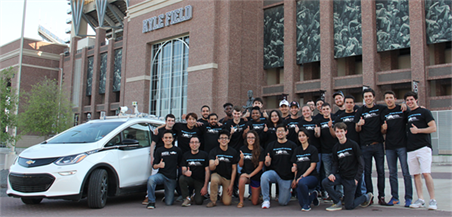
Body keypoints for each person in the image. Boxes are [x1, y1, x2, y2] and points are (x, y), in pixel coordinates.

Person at [322, 122, 373, 211]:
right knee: (325, 182)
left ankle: (366, 197)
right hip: (341, 176)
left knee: (349, 206)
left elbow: (361, 163)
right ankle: (337, 201)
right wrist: (332, 174)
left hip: (351, 178)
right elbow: (335, 164)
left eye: (341, 131)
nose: (339, 134)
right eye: (337, 132)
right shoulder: (335, 148)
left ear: (345, 132)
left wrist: (357, 179)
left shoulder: (353, 145)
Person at [404, 91, 437, 210]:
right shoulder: (407, 114)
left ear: (416, 100)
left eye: (411, 100)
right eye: (407, 100)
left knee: (426, 173)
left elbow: (433, 128)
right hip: (411, 149)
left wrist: (419, 131)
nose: (409, 102)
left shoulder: (425, 112)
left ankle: (432, 200)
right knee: (416, 175)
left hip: (424, 147)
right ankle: (420, 199)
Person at [354, 88, 387, 205]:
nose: (368, 98)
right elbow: (357, 129)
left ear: (373, 97)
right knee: (367, 172)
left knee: (381, 172)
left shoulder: (380, 109)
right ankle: (370, 195)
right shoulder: (360, 111)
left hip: (378, 145)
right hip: (365, 146)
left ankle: (381, 196)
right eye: (366, 96)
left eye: (370, 96)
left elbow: (394, 109)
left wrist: (404, 106)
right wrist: (359, 124)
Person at [380, 91, 413, 207]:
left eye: (391, 98)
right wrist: (383, 129)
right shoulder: (383, 112)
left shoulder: (402, 109)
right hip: (389, 147)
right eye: (386, 98)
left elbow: (413, 112)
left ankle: (408, 198)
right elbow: (382, 131)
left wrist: (405, 104)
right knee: (392, 173)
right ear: (384, 100)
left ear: (395, 98)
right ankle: (395, 197)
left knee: (406, 172)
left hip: (402, 146)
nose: (389, 100)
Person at [261, 124, 298, 208]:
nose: (280, 133)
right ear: (276, 133)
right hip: (275, 173)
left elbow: (295, 164)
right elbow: (267, 165)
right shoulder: (271, 145)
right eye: (278, 131)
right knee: (264, 176)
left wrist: (294, 178)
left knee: (283, 202)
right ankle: (266, 200)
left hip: (287, 176)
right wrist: (267, 162)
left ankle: (288, 192)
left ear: (286, 132)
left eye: (282, 131)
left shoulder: (292, 146)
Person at [146, 130, 182, 209]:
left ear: (173, 139)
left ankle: (167, 195)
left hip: (171, 178)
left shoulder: (177, 150)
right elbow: (154, 166)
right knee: (151, 179)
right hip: (161, 175)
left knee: (169, 203)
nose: (168, 139)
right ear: (162, 139)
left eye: (170, 137)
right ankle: (151, 202)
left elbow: (180, 164)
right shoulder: (159, 150)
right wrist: (159, 165)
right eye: (166, 138)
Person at [207, 130, 239, 207]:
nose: (223, 140)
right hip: (217, 175)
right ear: (218, 140)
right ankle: (213, 201)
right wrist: (214, 164)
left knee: (227, 203)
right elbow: (211, 167)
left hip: (227, 178)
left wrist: (231, 185)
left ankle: (222, 197)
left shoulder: (233, 152)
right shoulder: (213, 151)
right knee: (214, 179)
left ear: (229, 140)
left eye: (225, 138)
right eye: (221, 138)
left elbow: (234, 169)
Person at [291, 129, 320, 211]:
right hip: (300, 179)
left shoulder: (313, 149)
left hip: (312, 177)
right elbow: (295, 166)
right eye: (300, 136)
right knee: (301, 203)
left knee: (302, 183)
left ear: (307, 137)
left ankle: (307, 205)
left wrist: (302, 177)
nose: (301, 138)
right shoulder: (297, 150)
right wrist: (294, 178)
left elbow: (312, 167)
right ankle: (313, 195)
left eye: (303, 135)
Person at [179, 137, 210, 206]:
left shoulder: (204, 155)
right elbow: (183, 170)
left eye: (196, 142)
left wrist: (205, 186)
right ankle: (186, 199)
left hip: (199, 181)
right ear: (189, 144)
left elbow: (207, 171)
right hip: (189, 179)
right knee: (182, 178)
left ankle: (194, 195)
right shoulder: (185, 155)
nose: (194, 144)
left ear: (199, 144)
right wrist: (185, 172)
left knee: (199, 202)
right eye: (192, 142)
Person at [315, 103, 337, 200]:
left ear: (330, 109)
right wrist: (316, 132)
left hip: (335, 150)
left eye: (327, 109)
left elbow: (335, 135)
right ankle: (330, 194)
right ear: (321, 110)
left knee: (337, 172)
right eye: (324, 109)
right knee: (328, 173)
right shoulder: (319, 121)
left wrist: (330, 127)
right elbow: (318, 136)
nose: (326, 110)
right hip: (325, 151)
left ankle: (339, 193)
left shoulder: (335, 119)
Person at [237, 130, 265, 208]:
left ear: (256, 138)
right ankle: (241, 201)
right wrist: (241, 158)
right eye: (248, 137)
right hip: (246, 174)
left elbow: (260, 166)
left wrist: (250, 175)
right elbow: (240, 165)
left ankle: (258, 196)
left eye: (252, 137)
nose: (250, 139)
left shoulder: (260, 150)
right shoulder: (243, 148)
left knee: (255, 202)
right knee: (242, 179)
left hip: (255, 176)